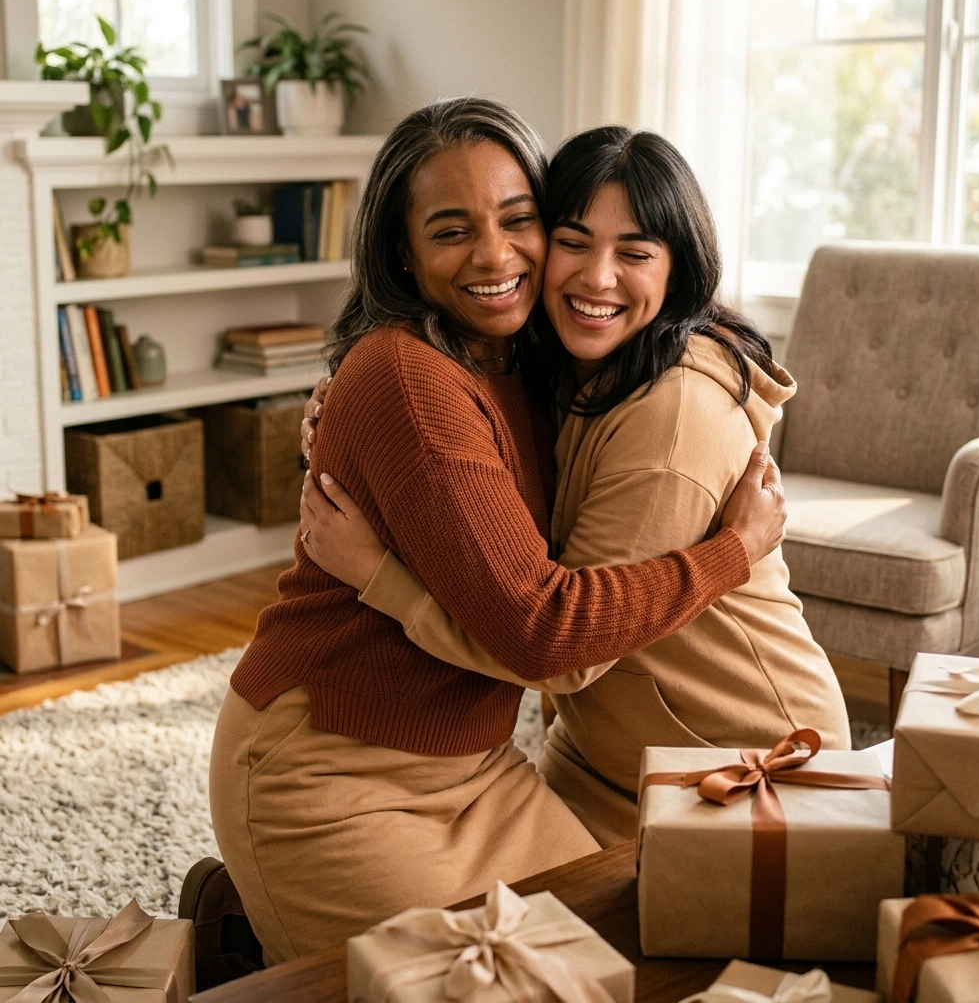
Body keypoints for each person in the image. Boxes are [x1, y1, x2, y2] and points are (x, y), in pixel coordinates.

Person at [208, 100, 785, 965]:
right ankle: (259, 935)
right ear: (402, 252)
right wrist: (731, 553)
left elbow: (647, 302)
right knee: (513, 984)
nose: (494, 255)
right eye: (452, 231)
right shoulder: (411, 376)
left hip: (477, 767)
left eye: (519, 220)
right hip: (332, 769)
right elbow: (544, 631)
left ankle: (237, 932)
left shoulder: (532, 353)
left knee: (616, 961)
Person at [299, 125, 849, 849]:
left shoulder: (671, 422)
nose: (597, 277)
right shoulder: (568, 369)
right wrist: (349, 414)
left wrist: (381, 577)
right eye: (573, 241)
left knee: (555, 921)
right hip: (609, 753)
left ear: (678, 268)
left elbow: (560, 646)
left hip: (736, 761)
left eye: (635, 253)